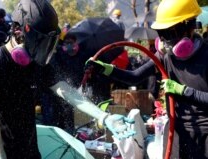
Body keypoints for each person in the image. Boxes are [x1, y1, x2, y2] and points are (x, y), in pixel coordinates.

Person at [0, 0, 132, 158]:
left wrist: (103, 116)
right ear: (18, 30)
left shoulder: (36, 62)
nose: (40, 49)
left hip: (27, 151)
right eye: (37, 41)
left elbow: (66, 91)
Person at [85, 0, 208, 158]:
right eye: (162, 34)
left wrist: (184, 91)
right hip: (176, 132)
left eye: (170, 33)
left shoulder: (206, 56)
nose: (165, 41)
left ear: (189, 27)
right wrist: (106, 69)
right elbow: (134, 77)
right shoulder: (165, 55)